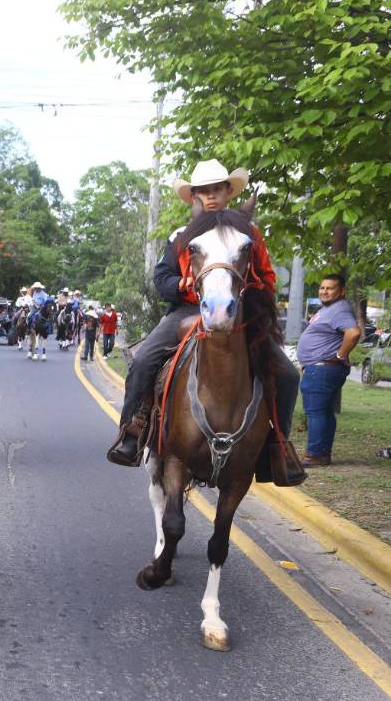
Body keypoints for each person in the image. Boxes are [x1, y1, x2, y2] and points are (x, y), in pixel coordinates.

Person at [105, 159, 305, 486]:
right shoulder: (181, 236)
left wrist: (249, 291)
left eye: (216, 189)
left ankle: (276, 448)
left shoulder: (249, 234)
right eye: (203, 191)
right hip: (187, 311)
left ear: (228, 192)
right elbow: (162, 278)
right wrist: (180, 285)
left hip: (238, 313)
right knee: (143, 361)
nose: (210, 196)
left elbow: (267, 278)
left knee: (287, 375)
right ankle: (132, 431)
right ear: (194, 196)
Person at [297, 274, 361, 467]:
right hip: (320, 368)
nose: (324, 291)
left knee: (315, 412)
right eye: (322, 288)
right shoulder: (330, 309)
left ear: (341, 291)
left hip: (322, 369)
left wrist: (340, 355)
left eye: (330, 288)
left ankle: (314, 455)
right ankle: (323, 454)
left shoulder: (339, 310)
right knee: (324, 412)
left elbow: (353, 333)